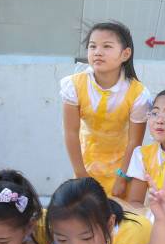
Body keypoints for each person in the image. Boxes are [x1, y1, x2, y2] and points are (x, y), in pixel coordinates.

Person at [61, 21, 151, 198]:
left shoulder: (139, 94)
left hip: (121, 169)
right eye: (92, 46)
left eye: (107, 46)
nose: (98, 52)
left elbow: (134, 142)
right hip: (85, 166)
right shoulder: (73, 85)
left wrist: (122, 178)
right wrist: (80, 174)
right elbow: (71, 132)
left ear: (125, 54)